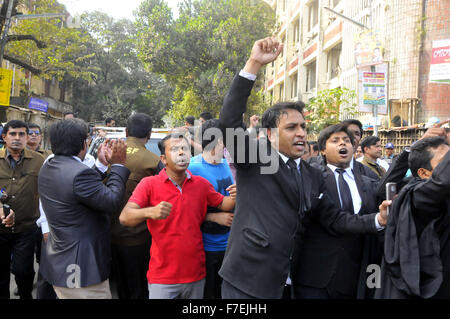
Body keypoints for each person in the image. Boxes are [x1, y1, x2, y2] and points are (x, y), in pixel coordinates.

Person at [217, 37, 389, 299]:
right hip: (247, 282)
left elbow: (334, 218)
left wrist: (378, 220)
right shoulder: (256, 159)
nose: (300, 133)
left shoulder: (312, 174)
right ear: (270, 134)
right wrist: (253, 64)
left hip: (289, 282)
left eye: (303, 127)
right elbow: (229, 120)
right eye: (291, 127)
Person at [119, 133, 236, 299]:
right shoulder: (149, 184)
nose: (181, 153)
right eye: (175, 149)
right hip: (163, 277)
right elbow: (125, 217)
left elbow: (224, 204)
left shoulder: (201, 184)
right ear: (163, 159)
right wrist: (150, 212)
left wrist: (235, 195)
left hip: (196, 274)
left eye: (185, 149)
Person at [38, 119, 130, 299]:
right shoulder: (79, 173)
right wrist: (118, 165)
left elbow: (75, 189)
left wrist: (101, 167)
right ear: (83, 143)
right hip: (81, 269)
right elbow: (111, 201)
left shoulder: (48, 166)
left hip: (61, 262)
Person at [292, 124, 383, 299]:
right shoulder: (312, 179)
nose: (343, 144)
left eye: (347, 140)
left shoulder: (369, 180)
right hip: (315, 276)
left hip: (355, 276)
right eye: (335, 140)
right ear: (323, 150)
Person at [376, 136, 450, 298]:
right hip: (428, 287)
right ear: (423, 173)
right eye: (445, 162)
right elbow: (442, 183)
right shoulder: (416, 196)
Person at [109, 113, 159, 299]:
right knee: (139, 287)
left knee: (121, 287)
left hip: (109, 236)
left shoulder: (107, 154)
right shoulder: (153, 161)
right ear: (149, 133)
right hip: (139, 237)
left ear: (126, 131)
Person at [188, 119, 235, 299]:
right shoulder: (192, 168)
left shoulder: (226, 165)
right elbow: (184, 210)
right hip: (205, 247)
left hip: (228, 245)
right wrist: (213, 218)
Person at [0, 120, 44, 299]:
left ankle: (26, 295)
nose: (17, 138)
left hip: (26, 229)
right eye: (13, 134)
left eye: (21, 134)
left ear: (27, 138)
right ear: (4, 137)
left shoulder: (39, 161)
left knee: (23, 271)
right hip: (0, 229)